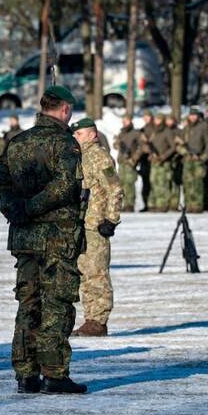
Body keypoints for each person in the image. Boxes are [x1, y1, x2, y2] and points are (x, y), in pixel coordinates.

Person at [0, 85, 88, 395]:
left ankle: (26, 373)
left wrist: (15, 209)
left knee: (28, 302)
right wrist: (29, 208)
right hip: (57, 235)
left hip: (25, 235)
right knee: (56, 302)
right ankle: (54, 373)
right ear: (65, 110)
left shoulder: (17, 143)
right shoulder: (66, 144)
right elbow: (64, 188)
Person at [70, 118, 122, 337]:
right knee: (85, 272)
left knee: (97, 273)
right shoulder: (80, 156)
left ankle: (98, 320)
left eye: (79, 133)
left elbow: (115, 189)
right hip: (82, 223)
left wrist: (111, 219)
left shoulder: (99, 156)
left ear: (92, 134)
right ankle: (90, 318)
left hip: (96, 224)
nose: (75, 137)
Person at [178, 108, 208, 213]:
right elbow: (180, 143)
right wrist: (184, 152)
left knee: (197, 183)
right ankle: (188, 204)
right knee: (187, 183)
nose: (192, 117)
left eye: (195, 115)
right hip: (187, 159)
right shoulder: (186, 128)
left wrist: (204, 156)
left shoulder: (203, 127)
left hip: (199, 159)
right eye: (191, 115)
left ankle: (197, 205)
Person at [114, 115, 142, 212]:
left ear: (130, 121)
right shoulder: (121, 133)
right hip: (122, 162)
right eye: (123, 121)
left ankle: (130, 204)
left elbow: (141, 147)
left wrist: (134, 159)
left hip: (130, 162)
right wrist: (117, 143)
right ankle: (124, 204)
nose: (124, 123)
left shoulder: (136, 133)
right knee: (122, 184)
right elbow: (115, 145)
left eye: (126, 121)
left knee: (130, 183)